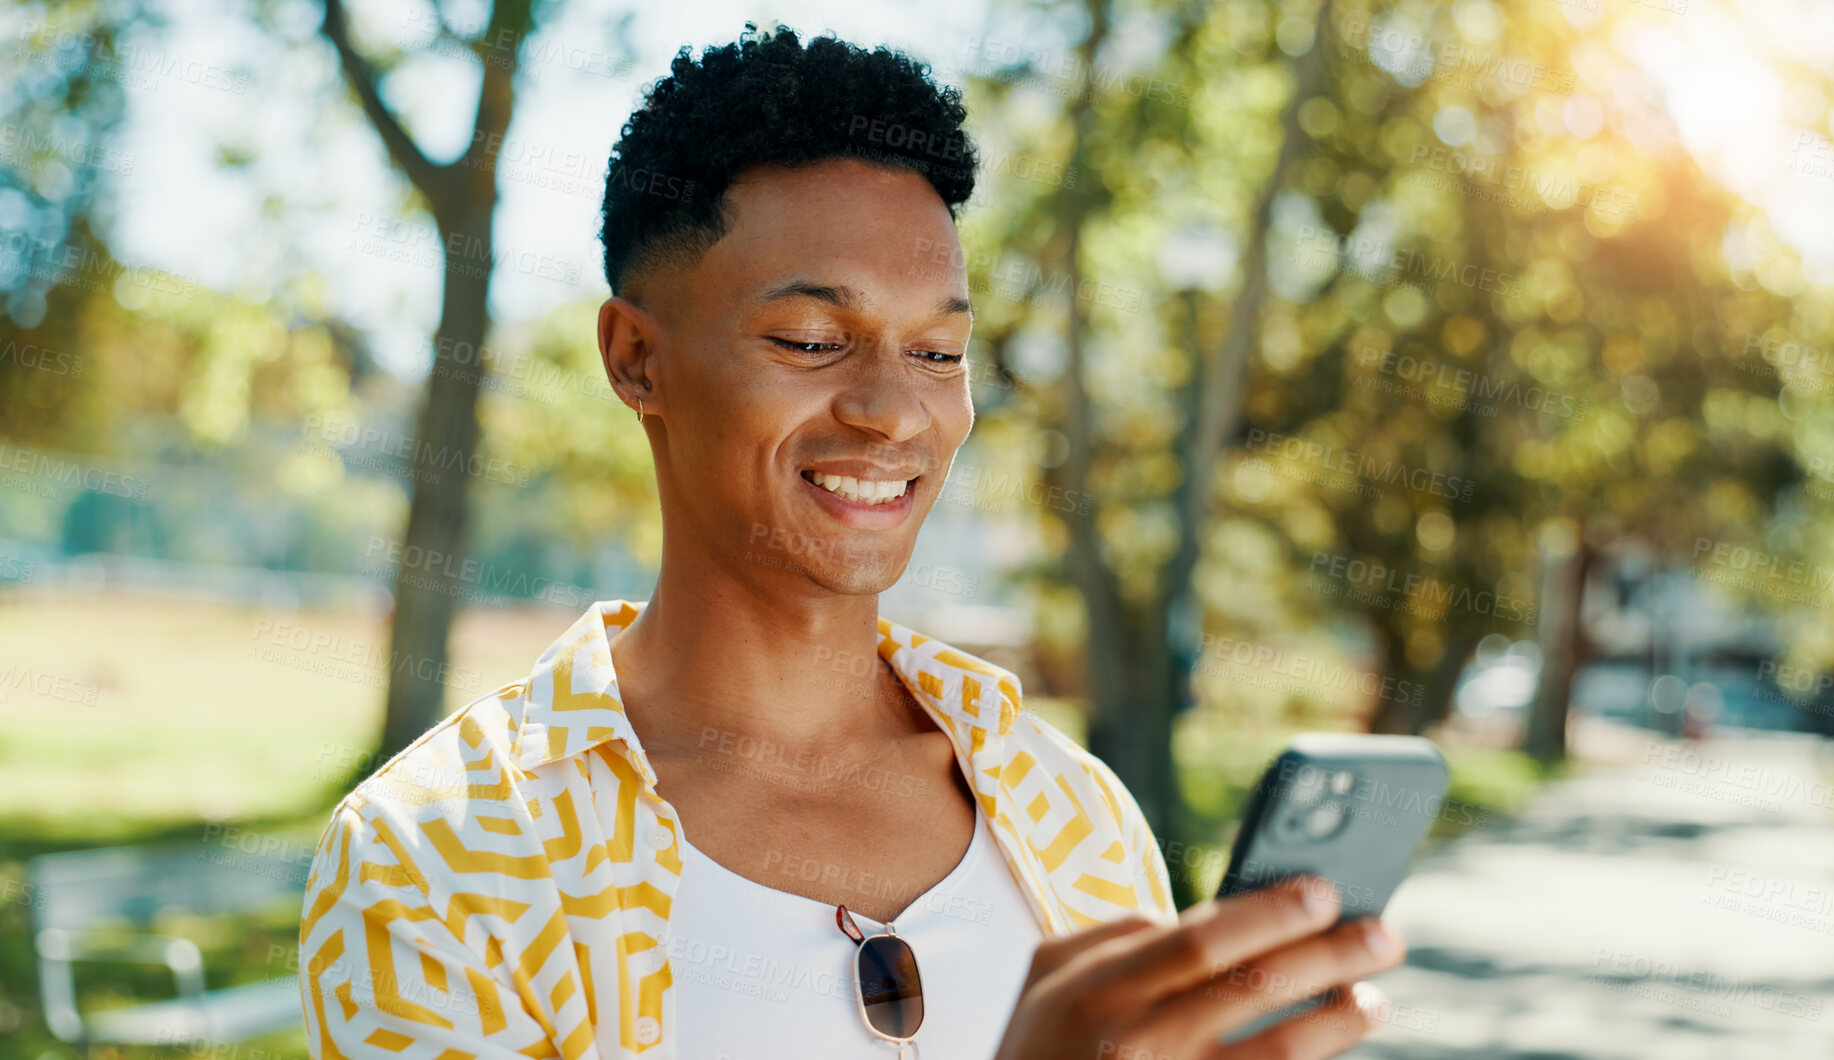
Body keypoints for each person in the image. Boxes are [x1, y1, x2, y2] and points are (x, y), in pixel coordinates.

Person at [297, 23, 1405, 1060]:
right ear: (637, 358)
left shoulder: (1070, 807)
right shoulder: (435, 855)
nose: (891, 410)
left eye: (937, 353)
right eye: (814, 338)